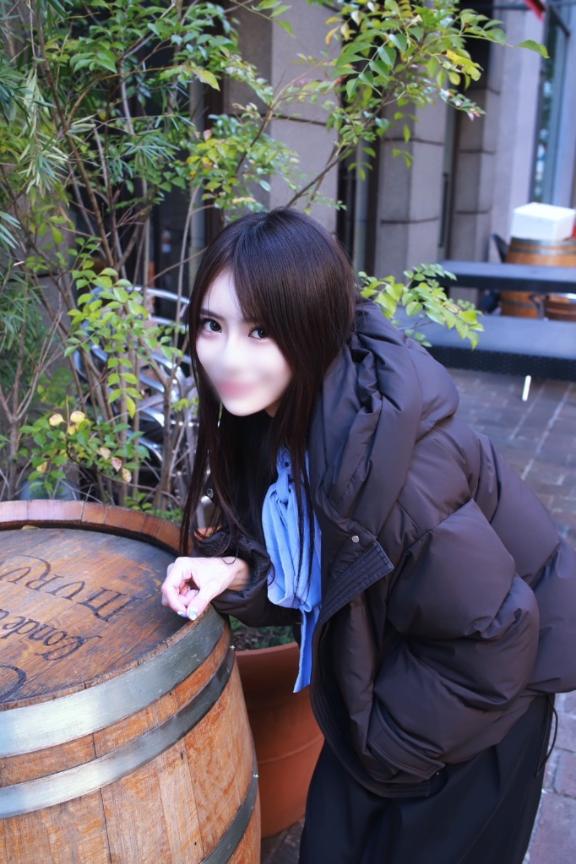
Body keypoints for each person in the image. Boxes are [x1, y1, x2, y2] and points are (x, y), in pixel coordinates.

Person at [160, 207, 576, 864]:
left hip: (478, 726)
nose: (228, 356)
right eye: (213, 325)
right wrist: (240, 572)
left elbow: (496, 638)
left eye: (260, 329)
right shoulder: (289, 408)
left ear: (313, 323)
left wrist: (379, 743)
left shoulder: (402, 479)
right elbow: (326, 560)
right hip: (403, 699)